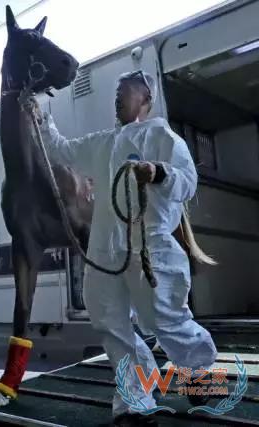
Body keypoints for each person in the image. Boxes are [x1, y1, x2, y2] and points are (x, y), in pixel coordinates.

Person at [40, 70, 217, 426]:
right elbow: (61, 150)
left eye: (126, 92)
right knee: (110, 323)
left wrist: (158, 172)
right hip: (105, 251)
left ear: (146, 101)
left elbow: (187, 181)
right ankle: (134, 397)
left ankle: (198, 373)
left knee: (164, 320)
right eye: (116, 93)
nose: (117, 99)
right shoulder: (103, 142)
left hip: (150, 248)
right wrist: (41, 115)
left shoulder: (161, 136)